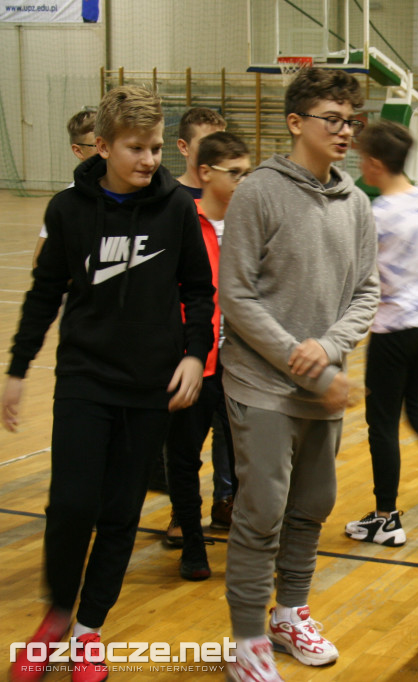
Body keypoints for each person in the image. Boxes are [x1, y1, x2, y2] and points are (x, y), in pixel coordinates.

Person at [5, 84, 215, 682]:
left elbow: (198, 292)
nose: (150, 160)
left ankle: (91, 630)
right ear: (101, 146)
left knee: (122, 511)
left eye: (155, 148)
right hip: (84, 379)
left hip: (150, 387)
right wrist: (18, 370)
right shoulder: (68, 211)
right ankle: (55, 619)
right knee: (71, 505)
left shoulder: (176, 207)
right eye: (136, 148)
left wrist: (192, 355)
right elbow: (45, 293)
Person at [219, 67, 379, 682]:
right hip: (262, 383)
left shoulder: (356, 201)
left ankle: (288, 612)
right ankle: (248, 638)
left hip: (324, 380)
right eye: (332, 120)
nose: (344, 131)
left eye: (351, 121)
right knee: (262, 511)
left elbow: (367, 292)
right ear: (295, 122)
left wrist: (328, 347)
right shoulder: (259, 191)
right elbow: (236, 295)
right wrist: (297, 355)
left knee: (313, 505)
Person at [344, 120, 418, 547]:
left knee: (382, 423)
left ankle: (386, 516)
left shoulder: (374, 215)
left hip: (392, 330)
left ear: (374, 164)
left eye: (361, 158)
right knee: (415, 406)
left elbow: (356, 276)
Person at [164, 131, 250, 581]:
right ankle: (192, 544)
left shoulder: (248, 228)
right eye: (234, 173)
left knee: (245, 460)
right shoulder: (181, 221)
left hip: (241, 369)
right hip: (194, 364)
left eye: (246, 173)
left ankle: (247, 544)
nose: (242, 182)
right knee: (183, 457)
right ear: (204, 173)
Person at [162, 105, 229, 539]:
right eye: (208, 145)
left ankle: (227, 501)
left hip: (235, 340)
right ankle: (182, 514)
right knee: (184, 440)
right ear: (184, 148)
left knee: (233, 433)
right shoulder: (167, 202)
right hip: (189, 342)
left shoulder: (236, 203)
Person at [32, 109, 98, 268]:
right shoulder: (68, 203)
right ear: (78, 151)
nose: (107, 150)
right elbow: (39, 262)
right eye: (97, 145)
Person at [175, 106, 227, 199]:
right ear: (184, 147)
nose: (216, 150)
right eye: (207, 143)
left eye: (221, 143)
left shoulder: (229, 194)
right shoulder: (171, 197)